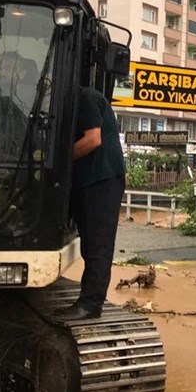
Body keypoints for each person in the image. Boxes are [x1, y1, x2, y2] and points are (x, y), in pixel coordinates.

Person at [56, 87, 127, 321]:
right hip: (88, 180)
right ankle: (89, 298)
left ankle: (90, 305)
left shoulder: (84, 98)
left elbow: (93, 139)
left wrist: (58, 161)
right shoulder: (73, 101)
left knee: (98, 244)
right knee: (89, 243)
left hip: (102, 180)